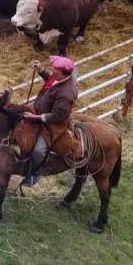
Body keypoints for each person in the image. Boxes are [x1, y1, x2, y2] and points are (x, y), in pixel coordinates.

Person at [21, 55, 83, 186]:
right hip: (38, 111)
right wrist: (41, 70)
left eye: (54, 68)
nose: (52, 69)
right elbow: (50, 81)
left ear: (61, 72)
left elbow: (57, 116)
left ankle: (37, 172)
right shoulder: (60, 78)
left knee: (38, 150)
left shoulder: (66, 93)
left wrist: (34, 118)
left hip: (52, 124)